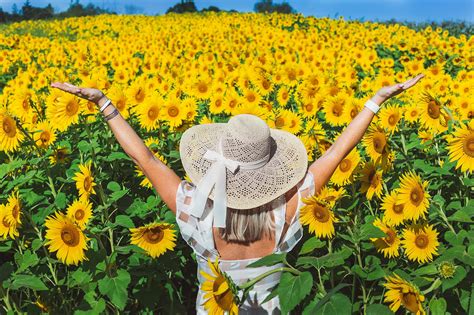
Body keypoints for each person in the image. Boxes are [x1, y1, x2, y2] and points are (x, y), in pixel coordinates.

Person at [51, 73, 424, 313]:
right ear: (270, 173)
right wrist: (375, 102)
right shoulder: (288, 212)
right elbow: (335, 152)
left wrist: (104, 104)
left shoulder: (194, 211)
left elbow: (145, 158)